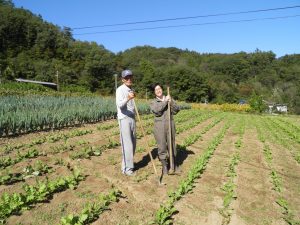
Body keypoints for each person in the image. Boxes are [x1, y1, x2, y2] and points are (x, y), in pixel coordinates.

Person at [150, 83, 180, 175]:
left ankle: (173, 164)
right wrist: (165, 102)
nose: (158, 90)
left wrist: (171, 102)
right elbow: (157, 111)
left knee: (171, 144)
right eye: (156, 90)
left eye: (159, 88)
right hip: (159, 126)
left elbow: (176, 110)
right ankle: (164, 166)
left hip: (170, 123)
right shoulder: (153, 102)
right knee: (162, 145)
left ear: (162, 89)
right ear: (154, 93)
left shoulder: (169, 99)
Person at [116, 69, 136, 176]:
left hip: (132, 118)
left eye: (130, 77)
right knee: (127, 144)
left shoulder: (131, 89)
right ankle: (127, 169)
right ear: (123, 79)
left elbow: (131, 106)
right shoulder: (120, 90)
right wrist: (128, 98)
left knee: (133, 144)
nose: (129, 79)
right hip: (124, 118)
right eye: (126, 78)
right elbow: (120, 105)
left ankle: (130, 165)